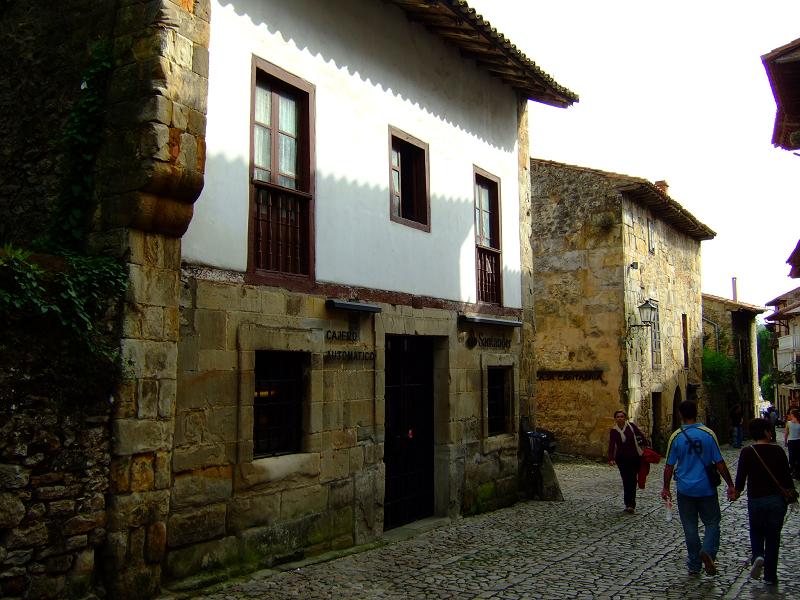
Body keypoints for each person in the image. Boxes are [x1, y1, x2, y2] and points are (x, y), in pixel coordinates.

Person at [661, 400, 736, 576]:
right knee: (712, 522)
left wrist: (666, 487)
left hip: (685, 489)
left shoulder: (676, 437)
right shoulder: (708, 434)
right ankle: (708, 551)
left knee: (690, 528)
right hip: (706, 488)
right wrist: (730, 485)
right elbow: (719, 463)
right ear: (696, 413)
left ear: (680, 414)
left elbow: (669, 466)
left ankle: (695, 564)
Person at [733, 418, 798, 586]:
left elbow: (740, 479)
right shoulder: (778, 451)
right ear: (767, 432)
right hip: (776, 501)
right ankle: (770, 576)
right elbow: (786, 478)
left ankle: (758, 556)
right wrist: (793, 498)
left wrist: (736, 492)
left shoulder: (747, 452)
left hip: (756, 499)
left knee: (756, 531)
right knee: (773, 537)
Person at [608, 410, 647, 514]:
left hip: (634, 457)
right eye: (617, 417)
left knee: (633, 480)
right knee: (626, 480)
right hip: (622, 459)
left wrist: (645, 447)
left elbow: (641, 436)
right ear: (615, 419)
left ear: (625, 418)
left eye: (621, 416)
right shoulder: (614, 431)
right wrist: (611, 458)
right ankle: (628, 504)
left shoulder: (631, 427)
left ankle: (631, 504)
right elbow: (612, 444)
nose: (620, 418)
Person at [783, 408, 800, 479]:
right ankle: (797, 471)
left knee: (792, 456)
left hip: (791, 441)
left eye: (790, 413)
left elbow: (786, 433)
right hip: (799, 441)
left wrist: (785, 441)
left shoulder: (788, 423)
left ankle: (793, 471)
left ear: (793, 414)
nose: (790, 415)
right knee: (798, 456)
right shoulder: (799, 422)